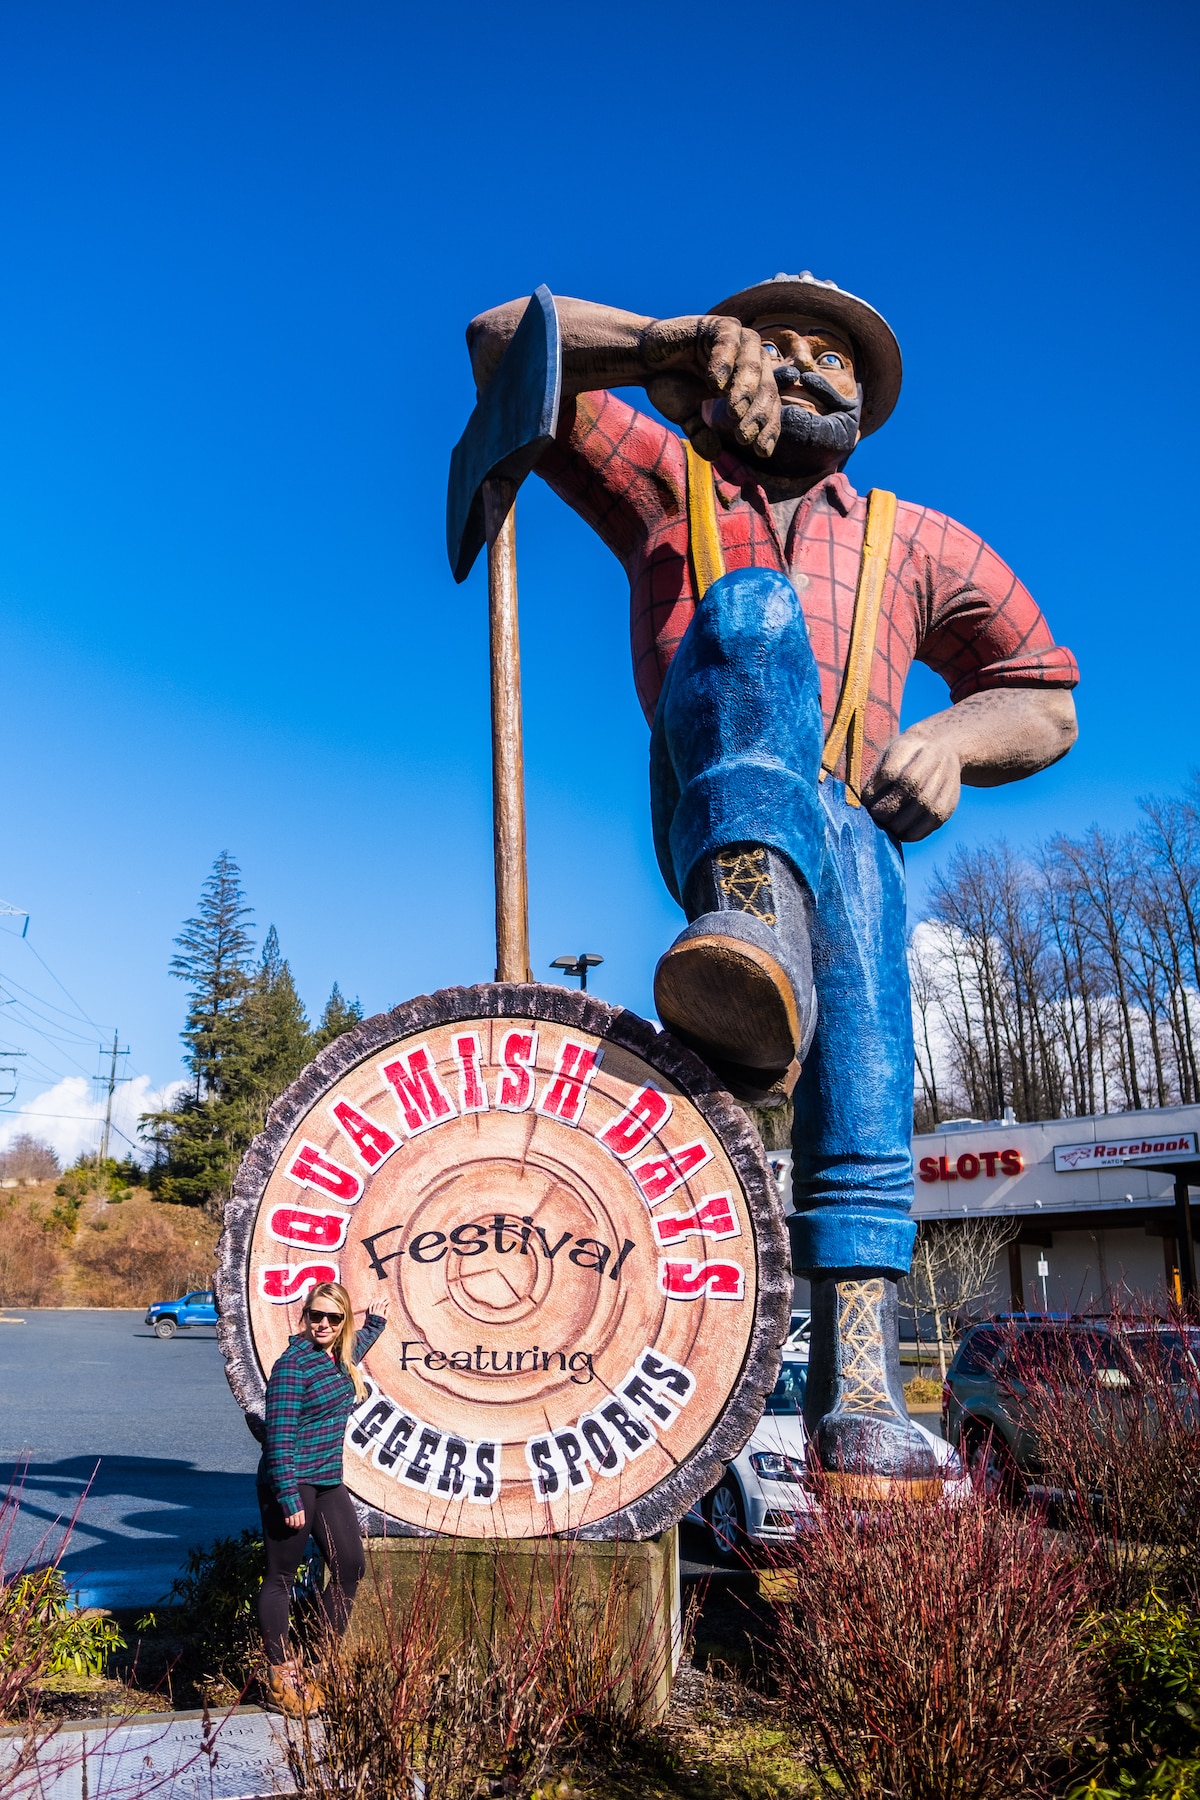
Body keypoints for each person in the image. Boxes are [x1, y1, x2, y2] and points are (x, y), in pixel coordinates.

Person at [467, 274, 1078, 1486]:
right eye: (777, 342)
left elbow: (1046, 697)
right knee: (749, 609)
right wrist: (665, 346)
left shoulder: (918, 538)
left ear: (868, 402)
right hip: (708, 797)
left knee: (867, 1021)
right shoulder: (665, 475)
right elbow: (501, 343)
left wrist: (952, 743)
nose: (801, 366)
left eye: (833, 358)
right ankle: (750, 919)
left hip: (850, 830)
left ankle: (856, 1386)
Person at [256, 1281, 388, 1712]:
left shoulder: (339, 1357)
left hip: (328, 1480)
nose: (324, 1324)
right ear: (305, 1316)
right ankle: (281, 1676)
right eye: (317, 1316)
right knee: (280, 1576)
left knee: (350, 1566)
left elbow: (358, 1343)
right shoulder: (292, 1367)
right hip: (292, 1482)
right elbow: (277, 1440)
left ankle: (317, 1665)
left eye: (334, 1317)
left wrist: (377, 1322)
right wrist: (288, 1497)